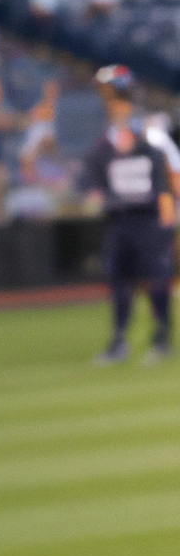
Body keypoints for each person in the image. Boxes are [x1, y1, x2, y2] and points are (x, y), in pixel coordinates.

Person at [81, 65, 175, 365]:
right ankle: (120, 339)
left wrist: (168, 222)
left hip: (151, 221)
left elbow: (170, 178)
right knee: (119, 281)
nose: (109, 102)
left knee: (157, 280)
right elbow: (95, 187)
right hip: (121, 223)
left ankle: (161, 336)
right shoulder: (103, 145)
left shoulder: (152, 136)